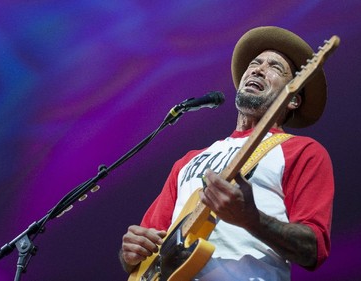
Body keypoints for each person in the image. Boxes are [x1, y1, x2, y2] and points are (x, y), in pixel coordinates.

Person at [119, 26, 334, 281]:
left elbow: (313, 250)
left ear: (293, 99)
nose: (258, 69)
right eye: (255, 63)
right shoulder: (188, 161)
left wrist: (251, 219)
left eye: (275, 67)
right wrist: (129, 253)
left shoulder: (302, 151)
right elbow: (146, 243)